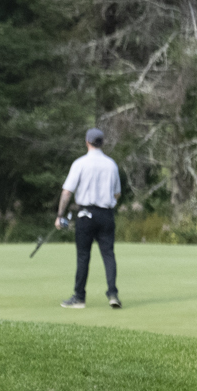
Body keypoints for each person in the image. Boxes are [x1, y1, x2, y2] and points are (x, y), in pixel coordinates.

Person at [56, 127, 122, 309]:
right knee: (108, 254)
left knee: (83, 256)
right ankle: (113, 294)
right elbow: (117, 193)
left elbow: (67, 192)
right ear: (102, 143)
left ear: (87, 142)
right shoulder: (111, 164)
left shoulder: (80, 163)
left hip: (85, 214)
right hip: (106, 214)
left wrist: (60, 215)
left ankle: (79, 297)